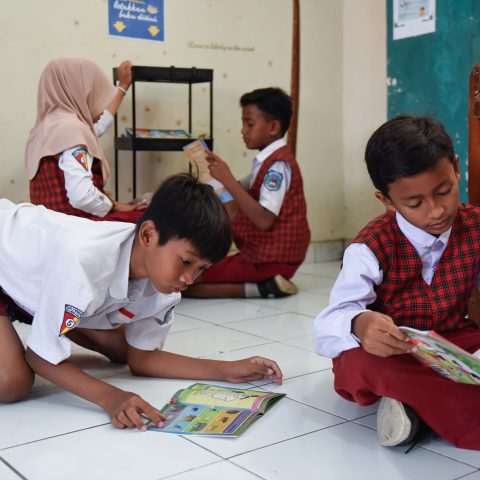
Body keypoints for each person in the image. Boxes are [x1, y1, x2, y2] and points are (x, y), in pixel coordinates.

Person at [0, 173, 282, 430]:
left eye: (201, 268)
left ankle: (46, 319)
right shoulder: (83, 264)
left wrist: (226, 369)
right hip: (6, 263)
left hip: (35, 283)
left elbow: (143, 359)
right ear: (148, 235)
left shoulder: (165, 287)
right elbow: (39, 357)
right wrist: (109, 397)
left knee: (122, 350)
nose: (189, 278)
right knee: (12, 382)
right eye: (186, 262)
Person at [313, 115, 480, 451]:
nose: (436, 211)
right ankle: (437, 405)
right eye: (415, 203)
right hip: (393, 353)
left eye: (444, 191)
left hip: (451, 342)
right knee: (357, 362)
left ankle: (411, 409)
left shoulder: (475, 226)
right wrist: (360, 323)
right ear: (387, 201)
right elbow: (326, 327)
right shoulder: (370, 247)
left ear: (456, 168)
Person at [186, 87, 310, 299]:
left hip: (272, 258)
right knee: (225, 195)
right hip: (268, 254)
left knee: (190, 280)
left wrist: (225, 178)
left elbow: (264, 220)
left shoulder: (277, 165)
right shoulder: (265, 161)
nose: (243, 130)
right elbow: (238, 188)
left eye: (249, 124)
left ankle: (263, 288)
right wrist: (215, 176)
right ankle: (267, 285)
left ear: (273, 127)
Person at [25, 57, 145, 223]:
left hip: (47, 227)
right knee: (150, 220)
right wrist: (114, 206)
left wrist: (123, 87)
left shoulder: (43, 130)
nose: (99, 106)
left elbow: (98, 126)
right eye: (94, 94)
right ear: (78, 91)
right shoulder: (73, 130)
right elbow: (82, 196)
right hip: (78, 228)